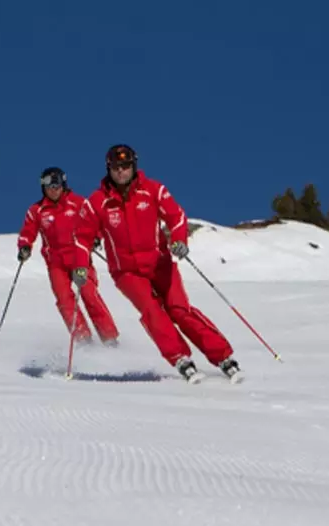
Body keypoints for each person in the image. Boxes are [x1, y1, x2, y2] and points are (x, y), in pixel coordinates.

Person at [72, 145, 242, 383]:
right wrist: (80, 266)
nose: (121, 172)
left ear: (134, 166)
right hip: (127, 272)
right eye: (116, 168)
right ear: (108, 169)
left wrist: (179, 240)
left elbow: (176, 216)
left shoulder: (153, 190)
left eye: (126, 166)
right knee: (152, 311)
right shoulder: (97, 203)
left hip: (159, 263)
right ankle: (180, 358)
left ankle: (223, 357)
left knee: (180, 310)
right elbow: (82, 237)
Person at [17, 167, 120, 345]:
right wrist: (25, 246)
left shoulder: (78, 203)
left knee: (88, 293)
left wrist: (95, 238)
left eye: (57, 186)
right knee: (64, 299)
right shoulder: (37, 210)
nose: (53, 190)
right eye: (49, 186)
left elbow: (95, 221)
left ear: (63, 185)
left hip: (79, 257)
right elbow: (28, 231)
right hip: (56, 263)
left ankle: (109, 336)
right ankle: (82, 337)